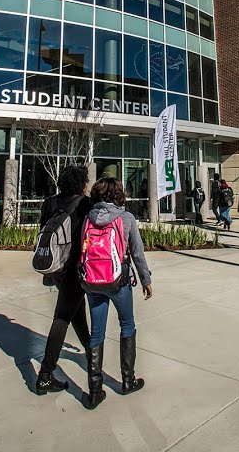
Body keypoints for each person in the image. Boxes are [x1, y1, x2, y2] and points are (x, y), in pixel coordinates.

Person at [81, 176, 154, 410]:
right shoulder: (126, 218)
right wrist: (146, 279)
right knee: (127, 325)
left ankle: (94, 391)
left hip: (93, 281)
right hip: (118, 280)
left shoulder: (88, 218)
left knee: (96, 333)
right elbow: (137, 253)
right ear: (118, 195)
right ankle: (128, 380)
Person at [34, 165, 93, 395]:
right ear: (81, 184)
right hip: (74, 270)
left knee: (75, 311)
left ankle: (90, 351)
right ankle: (45, 376)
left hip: (55, 268)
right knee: (62, 317)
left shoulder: (49, 203)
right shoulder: (84, 204)